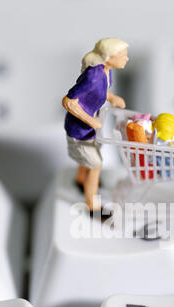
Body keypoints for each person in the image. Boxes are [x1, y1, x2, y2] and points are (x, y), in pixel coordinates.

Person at [62, 38, 129, 212]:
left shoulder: (106, 71)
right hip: (79, 130)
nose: (126, 59)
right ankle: (93, 206)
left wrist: (112, 97)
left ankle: (80, 180)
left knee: (90, 156)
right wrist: (90, 120)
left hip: (91, 128)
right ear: (108, 57)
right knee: (96, 165)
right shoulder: (93, 76)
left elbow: (100, 90)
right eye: (122, 56)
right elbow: (69, 102)